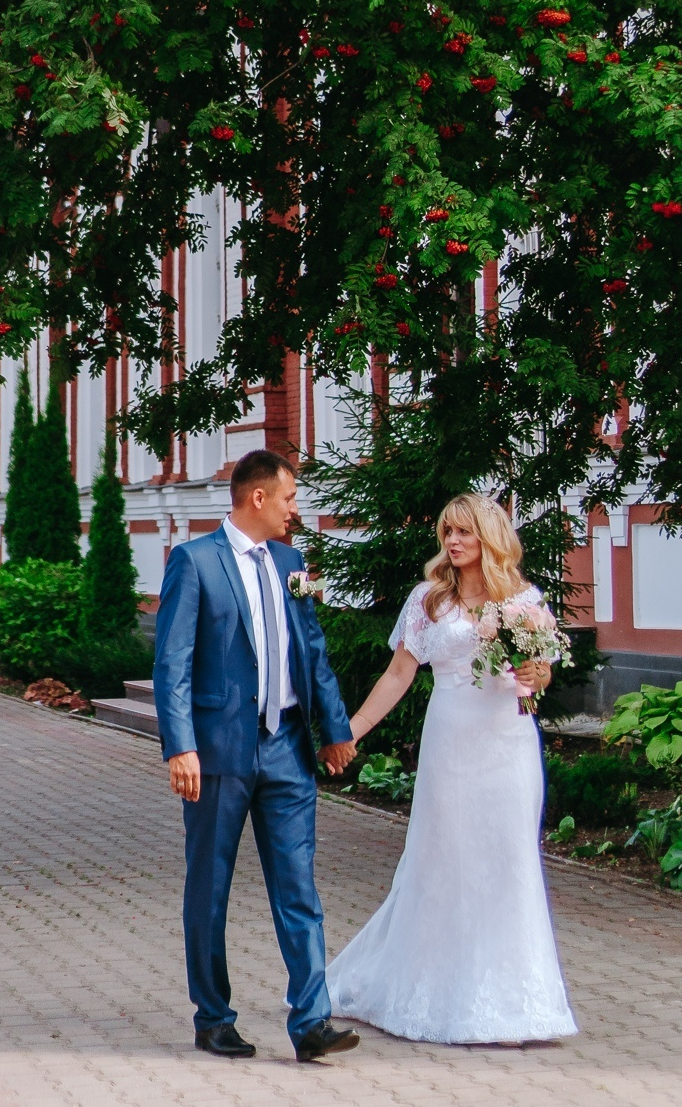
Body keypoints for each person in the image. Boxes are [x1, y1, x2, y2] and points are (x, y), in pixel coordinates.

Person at [325, 492, 578, 1045]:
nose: (454, 542)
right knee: (444, 864)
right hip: (451, 746)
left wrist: (537, 675)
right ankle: (439, 995)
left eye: (464, 532)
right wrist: (351, 728)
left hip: (509, 745)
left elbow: (540, 674)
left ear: (489, 538)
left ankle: (519, 1005)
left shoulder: (525, 600)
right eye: (447, 533)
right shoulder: (427, 601)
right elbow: (398, 674)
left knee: (509, 862)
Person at [153, 449, 360, 1063]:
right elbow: (172, 664)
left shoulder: (294, 563)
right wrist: (180, 745)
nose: (297, 510)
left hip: (287, 750)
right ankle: (213, 1017)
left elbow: (313, 653)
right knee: (209, 888)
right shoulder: (195, 562)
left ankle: (312, 1023)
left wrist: (335, 729)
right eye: (291, 498)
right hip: (219, 753)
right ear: (259, 497)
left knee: (299, 889)